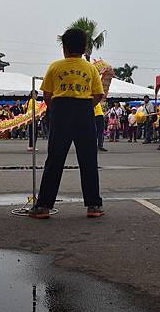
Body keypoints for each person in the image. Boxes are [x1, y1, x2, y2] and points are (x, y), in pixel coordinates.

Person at [28, 28, 105, 219]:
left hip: (61, 110)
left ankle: (43, 206)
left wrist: (57, 109)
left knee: (55, 159)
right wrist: (85, 106)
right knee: (88, 159)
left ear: (64, 48)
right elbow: (98, 94)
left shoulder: (55, 66)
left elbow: (46, 94)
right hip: (85, 111)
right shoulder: (90, 68)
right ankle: (94, 205)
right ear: (84, 47)